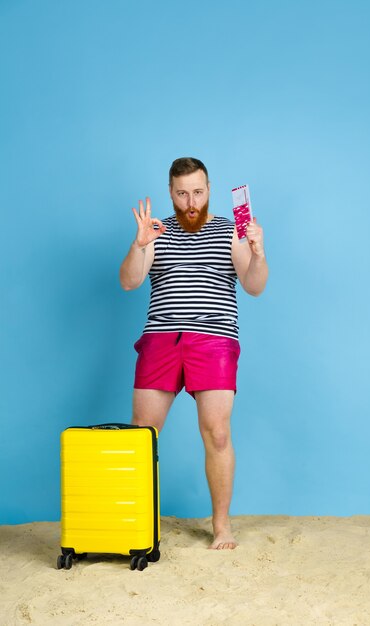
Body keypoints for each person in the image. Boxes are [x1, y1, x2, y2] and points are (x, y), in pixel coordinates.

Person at [120, 157, 268, 550]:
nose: (191, 201)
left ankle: (221, 526)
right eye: (183, 193)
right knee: (141, 436)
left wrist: (257, 251)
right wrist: (139, 246)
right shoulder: (155, 231)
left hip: (214, 339)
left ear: (209, 190)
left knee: (217, 433)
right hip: (161, 339)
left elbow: (254, 286)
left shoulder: (231, 230)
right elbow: (129, 282)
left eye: (198, 192)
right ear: (171, 192)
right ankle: (135, 522)